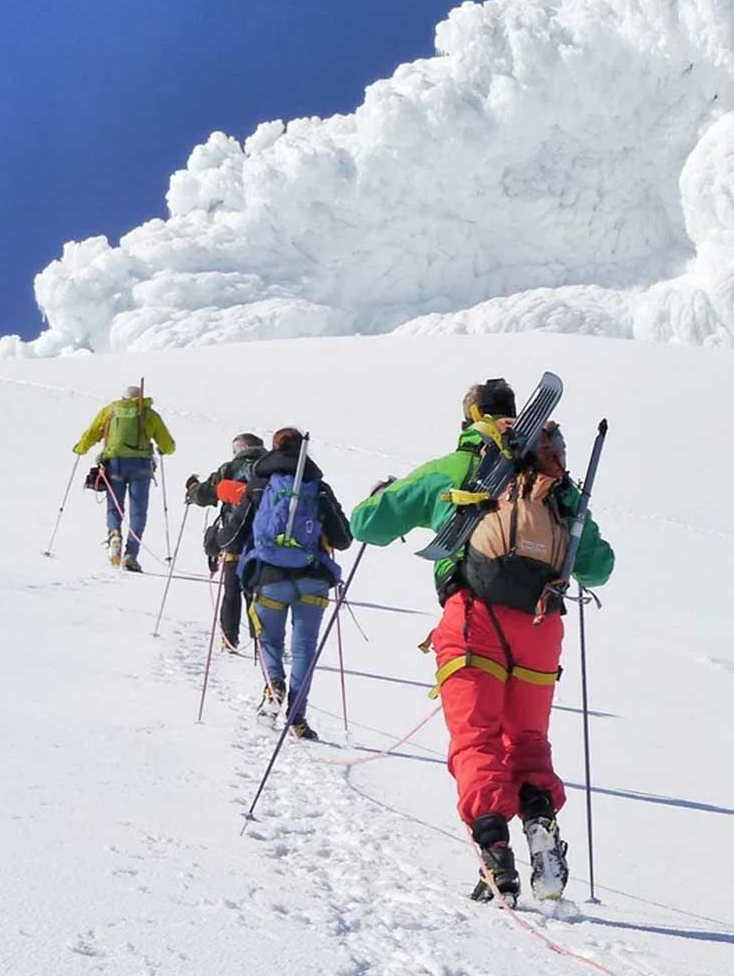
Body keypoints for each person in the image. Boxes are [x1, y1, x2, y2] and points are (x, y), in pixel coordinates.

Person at [350, 379, 614, 905]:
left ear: (470, 418)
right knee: (528, 739)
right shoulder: (551, 474)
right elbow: (598, 566)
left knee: (477, 738)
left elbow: (366, 525)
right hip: (541, 625)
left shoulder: (457, 466)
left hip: (474, 619)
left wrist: (383, 495)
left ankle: (495, 851)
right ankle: (540, 822)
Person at [233, 428, 352, 741]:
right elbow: (343, 538)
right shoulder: (318, 487)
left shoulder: (260, 483)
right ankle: (297, 716)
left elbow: (237, 530)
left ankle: (274, 685)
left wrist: (216, 543)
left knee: (269, 641)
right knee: (304, 649)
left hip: (269, 577)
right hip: (312, 579)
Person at [72, 385, 175, 571]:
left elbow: (92, 432)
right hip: (141, 466)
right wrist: (162, 449)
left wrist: (81, 448)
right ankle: (130, 555)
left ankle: (114, 534)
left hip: (114, 464)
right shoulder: (149, 414)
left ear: (123, 398)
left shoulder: (110, 411)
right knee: (138, 512)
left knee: (114, 505)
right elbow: (168, 445)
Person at [185, 433, 267, 652]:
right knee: (257, 593)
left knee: (231, 591)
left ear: (243, 448)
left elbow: (204, 494)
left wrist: (192, 490)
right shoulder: (270, 469)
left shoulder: (230, 468)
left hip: (234, 537)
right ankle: (262, 642)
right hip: (264, 540)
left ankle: (229, 639)